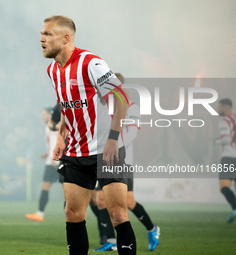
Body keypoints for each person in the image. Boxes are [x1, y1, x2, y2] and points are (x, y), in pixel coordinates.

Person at [40, 15, 137, 254]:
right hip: (75, 150)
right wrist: (62, 135)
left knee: (117, 213)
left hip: (107, 149)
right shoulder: (53, 70)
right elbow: (66, 105)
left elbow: (122, 99)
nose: (42, 39)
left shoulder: (90, 63)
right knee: (72, 214)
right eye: (41, 34)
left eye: (47, 34)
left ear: (66, 38)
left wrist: (114, 139)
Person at [94, 73, 160, 252]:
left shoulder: (131, 106)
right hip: (102, 159)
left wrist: (113, 146)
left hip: (122, 160)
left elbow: (132, 133)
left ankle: (152, 229)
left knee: (128, 202)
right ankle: (112, 241)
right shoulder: (103, 105)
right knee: (101, 200)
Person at [214, 98, 236, 228]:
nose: (218, 109)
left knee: (224, 186)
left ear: (225, 107)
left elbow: (226, 140)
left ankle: (235, 208)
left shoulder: (224, 121)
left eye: (219, 107)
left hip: (229, 156)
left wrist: (216, 141)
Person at [26, 107, 60, 222]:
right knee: (65, 188)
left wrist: (54, 157)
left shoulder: (52, 126)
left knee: (64, 188)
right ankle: (39, 214)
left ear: (50, 115)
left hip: (55, 162)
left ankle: (40, 214)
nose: (42, 116)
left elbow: (56, 140)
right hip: (53, 159)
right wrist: (48, 153)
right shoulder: (49, 126)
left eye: (44, 114)